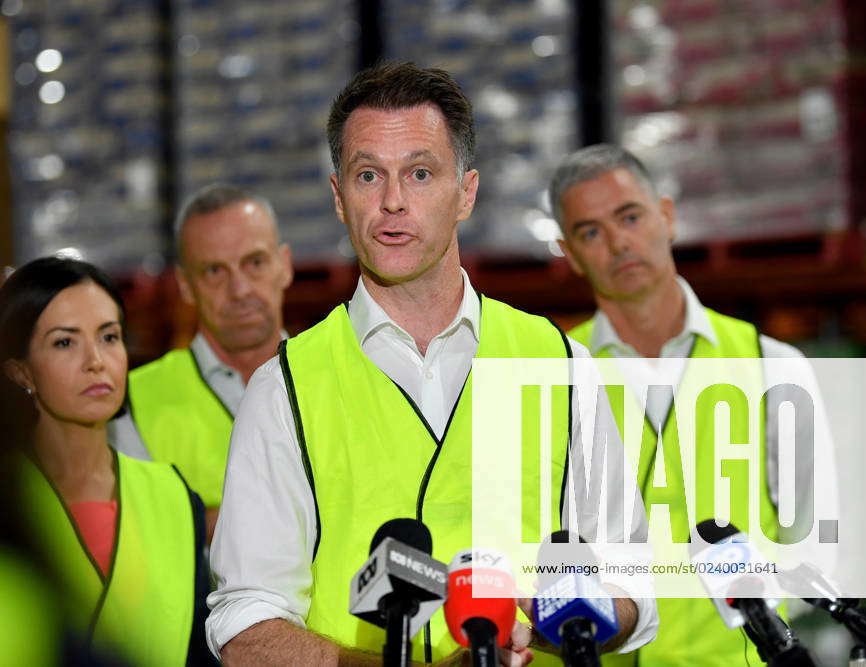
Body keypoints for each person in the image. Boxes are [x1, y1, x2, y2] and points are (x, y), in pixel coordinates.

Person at [206, 63, 657, 666]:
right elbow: (246, 625)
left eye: (420, 173)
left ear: (466, 192)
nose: (393, 202)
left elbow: (632, 581)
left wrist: (556, 622)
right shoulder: (283, 389)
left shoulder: (560, 363)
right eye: (369, 176)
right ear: (340, 198)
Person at [550, 143, 831, 666]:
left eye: (629, 216)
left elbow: (813, 540)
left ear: (667, 216)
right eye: (590, 232)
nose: (617, 243)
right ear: (569, 253)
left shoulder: (772, 364)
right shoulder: (558, 376)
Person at [0, 256, 212, 666]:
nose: (96, 360)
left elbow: (198, 648)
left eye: (109, 337)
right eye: (65, 342)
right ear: (21, 372)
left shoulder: (172, 494)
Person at [109, 184, 292, 542]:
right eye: (214, 272)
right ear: (185, 285)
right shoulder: (129, 402)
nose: (239, 290)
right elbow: (139, 534)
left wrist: (208, 521)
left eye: (254, 263)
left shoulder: (340, 374)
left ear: (284, 265)